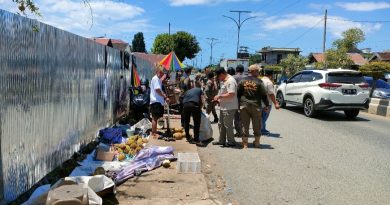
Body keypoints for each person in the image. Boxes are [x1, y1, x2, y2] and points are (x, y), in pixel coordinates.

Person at [237, 64, 269, 148]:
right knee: (257, 125)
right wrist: (266, 105)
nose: (259, 72)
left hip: (244, 106)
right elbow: (264, 95)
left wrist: (238, 106)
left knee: (244, 124)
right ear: (253, 71)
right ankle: (257, 142)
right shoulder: (259, 81)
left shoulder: (242, 81)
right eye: (258, 71)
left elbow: (238, 94)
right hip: (256, 106)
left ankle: (245, 144)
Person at [212, 67, 238, 147]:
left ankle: (231, 142)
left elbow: (231, 94)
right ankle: (221, 141)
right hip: (224, 106)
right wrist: (218, 97)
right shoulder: (225, 80)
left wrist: (220, 96)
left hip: (229, 107)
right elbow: (223, 92)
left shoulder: (230, 81)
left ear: (222, 74)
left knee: (228, 125)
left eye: (218, 76)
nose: (218, 78)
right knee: (221, 124)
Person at [150, 67, 169, 138]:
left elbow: (159, 87)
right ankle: (154, 133)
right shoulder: (155, 79)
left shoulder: (158, 79)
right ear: (156, 72)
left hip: (157, 101)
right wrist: (164, 96)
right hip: (156, 101)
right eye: (160, 72)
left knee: (156, 117)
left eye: (162, 73)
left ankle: (154, 131)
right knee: (155, 118)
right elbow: (157, 90)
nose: (161, 74)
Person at [260, 68, 280, 135]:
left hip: (259, 102)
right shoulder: (269, 82)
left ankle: (262, 129)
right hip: (267, 103)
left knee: (260, 117)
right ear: (271, 75)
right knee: (264, 117)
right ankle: (261, 130)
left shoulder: (260, 80)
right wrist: (276, 103)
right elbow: (271, 94)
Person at [232, 64, 246, 137]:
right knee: (244, 116)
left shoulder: (233, 77)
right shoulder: (247, 78)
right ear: (243, 70)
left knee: (236, 116)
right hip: (245, 100)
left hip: (236, 99)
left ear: (236, 70)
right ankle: (244, 131)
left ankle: (239, 132)